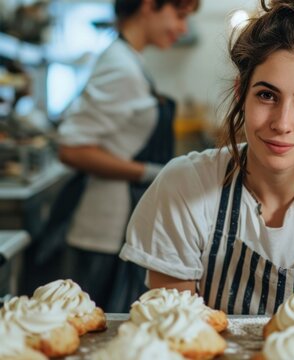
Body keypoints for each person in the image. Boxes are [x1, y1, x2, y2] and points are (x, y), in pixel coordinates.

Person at [120, 0, 294, 314]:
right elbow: (179, 336)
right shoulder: (183, 186)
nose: (281, 123)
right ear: (241, 93)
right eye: (267, 95)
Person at [38, 0, 199, 312]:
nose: (182, 28)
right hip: (101, 231)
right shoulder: (120, 66)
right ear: (150, 6)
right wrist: (154, 172)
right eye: (179, 16)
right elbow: (72, 149)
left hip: (115, 227)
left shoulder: (128, 59)